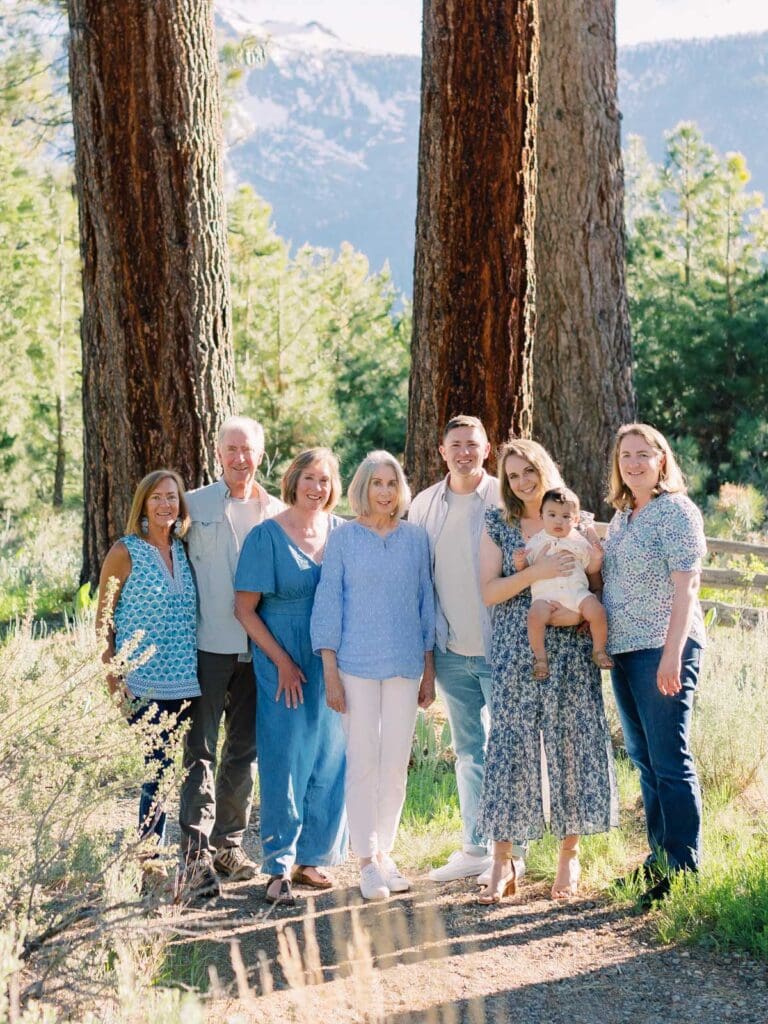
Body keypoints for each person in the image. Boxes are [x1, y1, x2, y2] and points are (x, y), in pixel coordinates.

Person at [476, 439, 618, 904]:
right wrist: (535, 574)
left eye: (528, 471)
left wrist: (578, 614)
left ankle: (567, 855)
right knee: (511, 745)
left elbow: (596, 582)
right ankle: (503, 859)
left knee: (571, 741)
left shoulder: (573, 517)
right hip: (520, 647)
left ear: (544, 469)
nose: (522, 482)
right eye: (513, 475)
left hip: (573, 647)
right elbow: (491, 592)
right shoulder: (499, 524)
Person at [311, 451, 436, 901]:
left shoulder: (415, 539)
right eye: (376, 483)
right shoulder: (344, 538)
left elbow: (426, 603)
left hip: (405, 665)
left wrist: (428, 670)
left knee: (394, 765)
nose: (385, 491)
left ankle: (385, 852)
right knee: (363, 761)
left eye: (391, 483)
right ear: (362, 488)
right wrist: (330, 670)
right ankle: (364, 860)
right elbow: (328, 602)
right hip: (355, 665)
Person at [408, 415, 524, 884]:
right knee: (470, 750)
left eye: (472, 445)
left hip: (502, 647)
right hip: (452, 648)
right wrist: (427, 657)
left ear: (487, 448)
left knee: (510, 749)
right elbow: (419, 581)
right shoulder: (423, 505)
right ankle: (476, 847)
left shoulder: (506, 496)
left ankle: (514, 850)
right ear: (441, 451)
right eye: (455, 444)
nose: (464, 452)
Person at [234, 448, 348, 906]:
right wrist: (281, 660)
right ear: (293, 481)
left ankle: (312, 858)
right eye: (309, 478)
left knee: (330, 755)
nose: (317, 488)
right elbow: (243, 609)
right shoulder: (267, 536)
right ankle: (278, 865)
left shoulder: (343, 533)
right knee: (284, 760)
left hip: (335, 660)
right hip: (283, 657)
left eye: (325, 480)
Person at [179, 416, 284, 897]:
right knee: (200, 750)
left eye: (249, 450)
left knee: (244, 750)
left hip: (258, 649)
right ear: (217, 453)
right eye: (232, 449)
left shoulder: (278, 512)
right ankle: (195, 853)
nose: (241, 458)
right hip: (208, 646)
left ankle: (229, 844)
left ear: (261, 454)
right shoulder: (192, 505)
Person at [602, 423, 706, 908]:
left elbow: (686, 586)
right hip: (625, 651)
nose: (634, 463)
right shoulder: (623, 515)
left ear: (662, 459)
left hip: (663, 649)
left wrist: (673, 652)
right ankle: (659, 859)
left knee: (670, 760)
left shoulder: (676, 512)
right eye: (626, 455)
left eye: (644, 454)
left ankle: (684, 869)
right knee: (645, 762)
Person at [96, 469, 200, 849]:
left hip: (188, 681)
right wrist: (114, 681)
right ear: (143, 503)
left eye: (171, 496)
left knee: (181, 770)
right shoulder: (125, 551)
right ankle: (148, 855)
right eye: (156, 497)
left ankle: (193, 853)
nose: (164, 504)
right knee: (156, 768)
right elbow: (103, 621)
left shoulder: (186, 551)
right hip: (143, 683)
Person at [519, 486, 613, 680]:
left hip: (577, 594)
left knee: (597, 611)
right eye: (552, 515)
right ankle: (540, 658)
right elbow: (525, 570)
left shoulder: (579, 541)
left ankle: (599, 649)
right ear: (542, 516)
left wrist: (596, 558)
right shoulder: (536, 542)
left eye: (566, 516)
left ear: (576, 519)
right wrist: (520, 562)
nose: (558, 521)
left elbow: (591, 570)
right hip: (546, 597)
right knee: (535, 616)